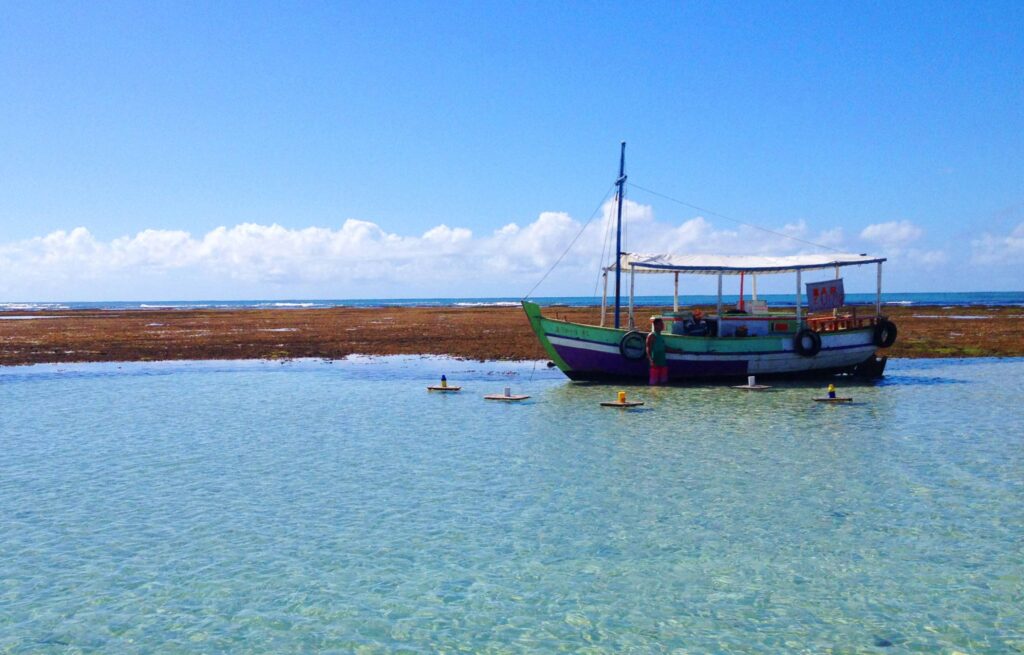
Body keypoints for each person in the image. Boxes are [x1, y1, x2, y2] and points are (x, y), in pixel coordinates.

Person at [646, 316, 669, 385]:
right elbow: (648, 348)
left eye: (663, 324)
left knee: (664, 383)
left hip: (663, 363)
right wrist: (651, 360)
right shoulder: (652, 335)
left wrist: (677, 351)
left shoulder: (660, 336)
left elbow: (664, 348)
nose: (663, 326)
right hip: (655, 363)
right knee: (653, 384)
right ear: (655, 325)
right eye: (661, 324)